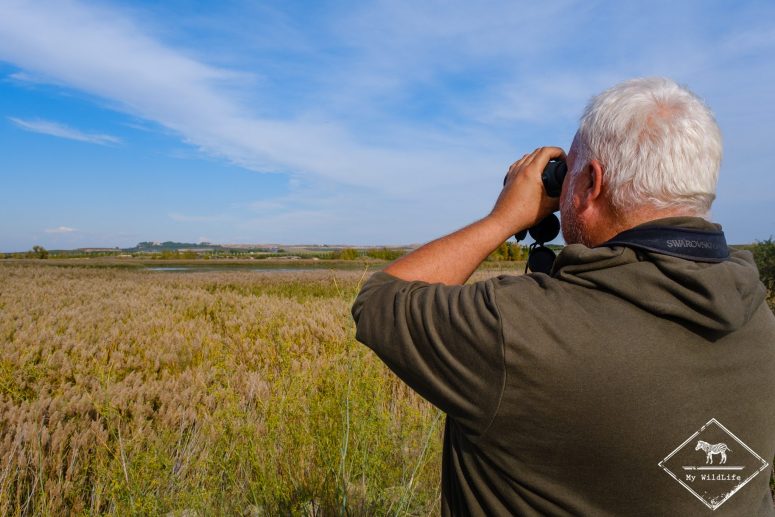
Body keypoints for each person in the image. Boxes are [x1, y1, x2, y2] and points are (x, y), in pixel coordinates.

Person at [351, 77, 775, 516]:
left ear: (591, 183)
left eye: (568, 172)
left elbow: (379, 301)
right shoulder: (759, 319)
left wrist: (504, 218)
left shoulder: (520, 330)